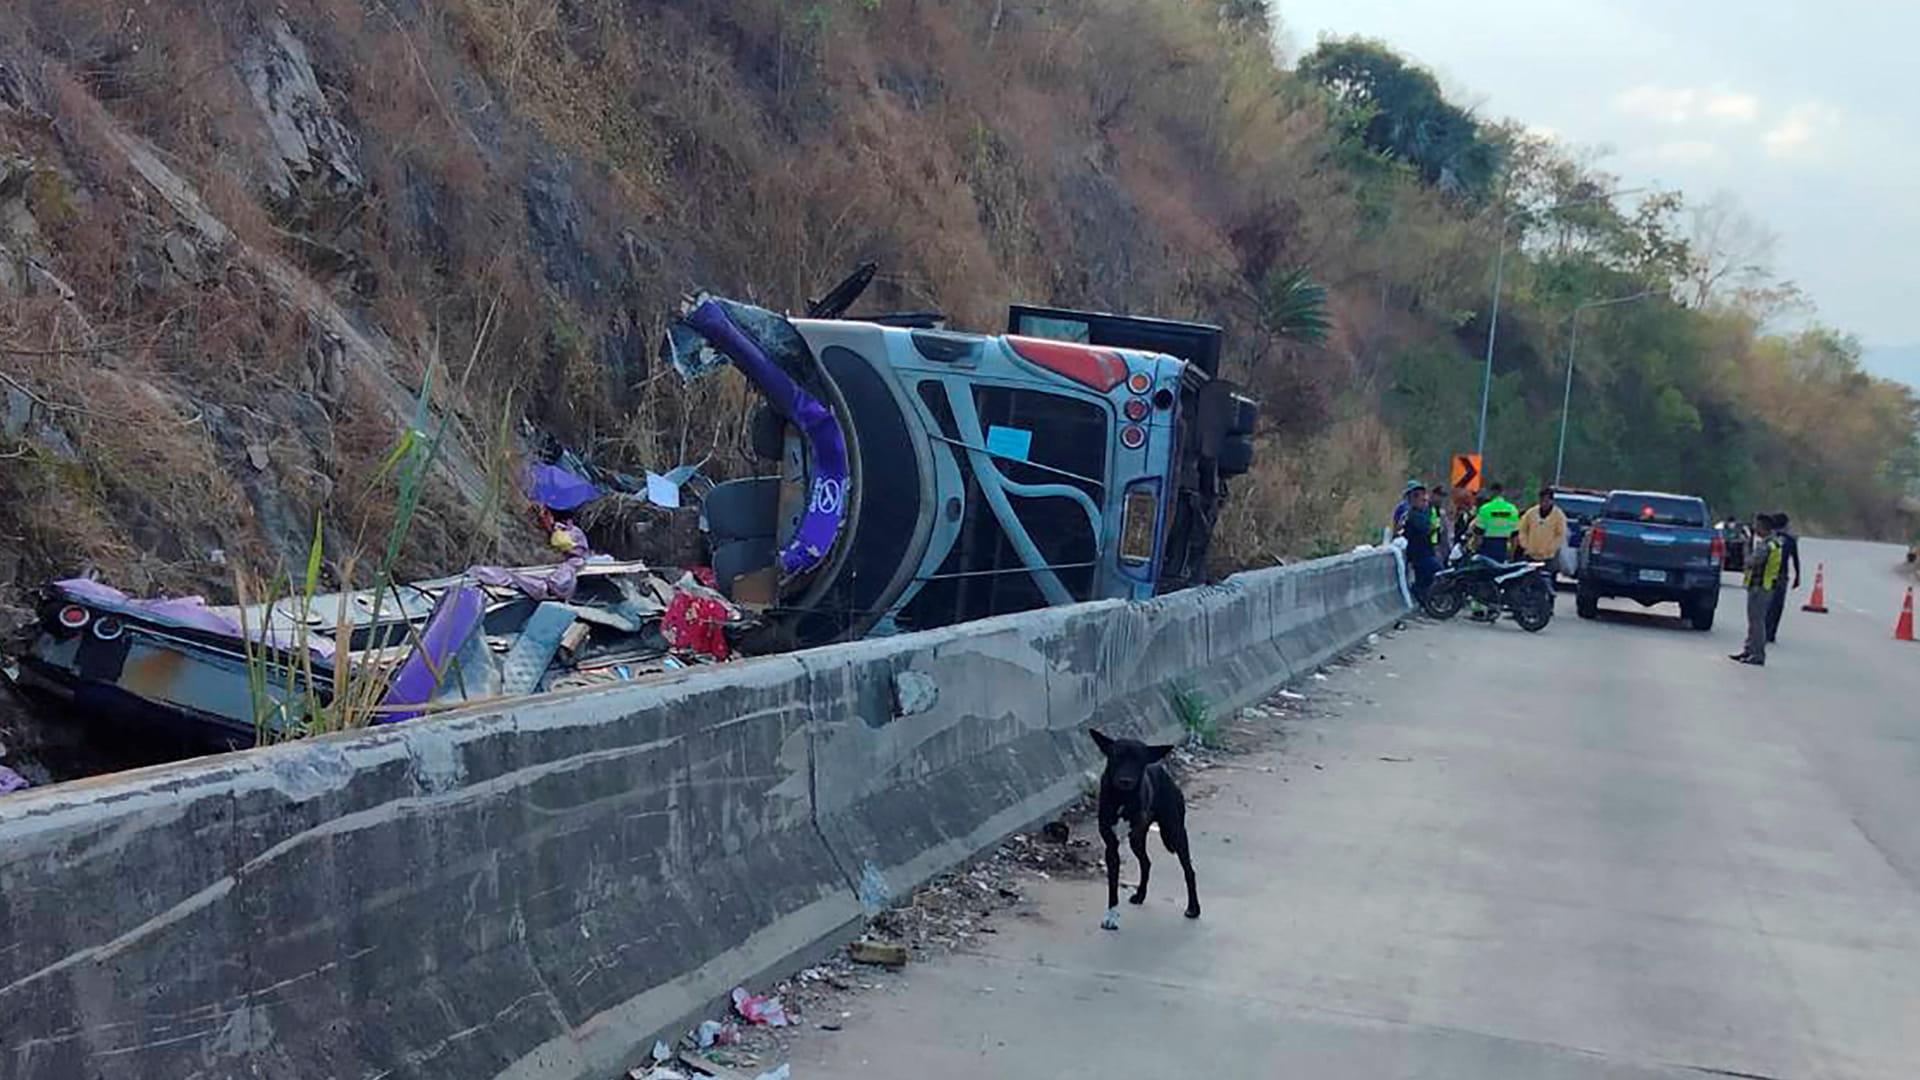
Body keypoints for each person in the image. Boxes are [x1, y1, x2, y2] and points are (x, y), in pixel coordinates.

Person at [1732, 513, 1783, 666]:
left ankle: (1757, 654)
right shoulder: (1774, 543)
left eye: (1756, 525)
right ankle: (1749, 650)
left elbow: (1751, 562)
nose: (1754, 528)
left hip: (1760, 587)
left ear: (1763, 527)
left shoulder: (1766, 545)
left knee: (1757, 622)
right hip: (1762, 586)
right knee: (1754, 621)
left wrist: (1746, 546)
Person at [1401, 485, 1442, 604]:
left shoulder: (1425, 512)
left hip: (1426, 550)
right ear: (1414, 499)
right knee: (1436, 572)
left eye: (1426, 500)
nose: (1425, 503)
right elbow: (1425, 528)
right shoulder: (1414, 515)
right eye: (1422, 500)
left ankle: (1424, 599)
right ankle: (1421, 595)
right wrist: (1431, 527)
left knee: (1424, 579)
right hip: (1419, 553)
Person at [1766, 512, 1802, 643]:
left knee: (1766, 603)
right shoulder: (1790, 540)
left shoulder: (1769, 538)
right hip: (1782, 576)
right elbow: (1795, 559)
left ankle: (1764, 629)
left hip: (1768, 574)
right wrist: (1798, 576)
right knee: (1777, 605)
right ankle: (1772, 631)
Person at [1516, 486, 1568, 564]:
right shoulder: (1531, 513)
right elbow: (1523, 529)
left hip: (1548, 557)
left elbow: (1560, 534)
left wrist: (1551, 548)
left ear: (1551, 501)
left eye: (1546, 501)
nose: (1544, 503)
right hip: (1530, 555)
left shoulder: (1559, 516)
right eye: (1542, 500)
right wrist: (1525, 545)